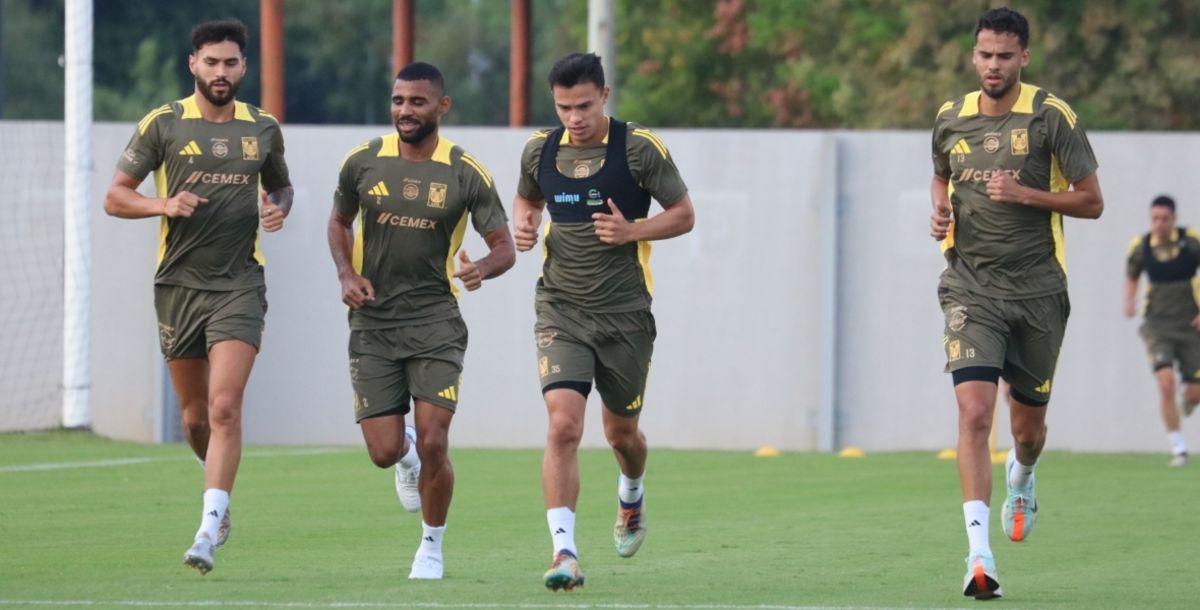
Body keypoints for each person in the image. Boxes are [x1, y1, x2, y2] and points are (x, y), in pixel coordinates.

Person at [101, 19, 293, 575]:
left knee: (225, 405)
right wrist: (162, 206)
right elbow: (115, 197)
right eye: (212, 63)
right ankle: (218, 492)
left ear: (243, 67)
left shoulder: (262, 128)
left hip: (239, 285)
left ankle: (209, 526)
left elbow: (280, 184)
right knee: (193, 419)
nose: (221, 72)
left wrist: (280, 206)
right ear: (194, 65)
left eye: (231, 63)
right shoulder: (163, 124)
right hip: (178, 286)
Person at [928, 7, 1103, 600]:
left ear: (1023, 57)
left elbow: (1092, 202)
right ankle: (979, 557)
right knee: (975, 413)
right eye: (984, 55)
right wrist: (940, 209)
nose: (993, 66)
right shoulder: (951, 118)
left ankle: (1023, 476)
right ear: (973, 56)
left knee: (1027, 429)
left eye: (1004, 56)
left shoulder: (1052, 116)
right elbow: (939, 172)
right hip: (970, 287)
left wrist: (1026, 193)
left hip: (1038, 294)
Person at [512, 52, 695, 591]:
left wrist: (633, 231)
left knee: (622, 434)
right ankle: (563, 552)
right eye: (565, 107)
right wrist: (525, 226)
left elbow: (684, 215)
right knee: (563, 425)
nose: (575, 117)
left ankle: (632, 495)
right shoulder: (539, 151)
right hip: (560, 310)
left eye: (585, 106)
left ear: (605, 96)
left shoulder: (638, 149)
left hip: (625, 316)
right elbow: (527, 202)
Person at [327, 62, 514, 580]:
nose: (405, 111)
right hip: (373, 324)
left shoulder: (464, 171)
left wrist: (481, 269)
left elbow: (506, 248)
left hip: (436, 322)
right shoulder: (362, 162)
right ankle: (405, 457)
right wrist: (345, 273)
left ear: (442, 106)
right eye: (398, 101)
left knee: (437, 439)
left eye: (417, 102)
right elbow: (339, 221)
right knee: (385, 451)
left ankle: (430, 547)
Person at [1124, 195, 1200, 467]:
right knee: (1165, 381)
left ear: (1174, 219)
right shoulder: (1141, 246)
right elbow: (1132, 274)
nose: (1159, 224)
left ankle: (1190, 398)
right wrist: (1129, 300)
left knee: (1194, 394)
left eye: (1164, 218)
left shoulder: (1192, 241)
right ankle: (1178, 447)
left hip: (1191, 326)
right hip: (1157, 325)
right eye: (1154, 218)